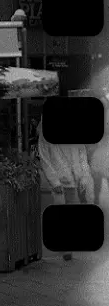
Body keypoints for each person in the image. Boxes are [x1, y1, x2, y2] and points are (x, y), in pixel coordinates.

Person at [37, 107, 93, 263]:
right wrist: (53, 180)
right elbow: (44, 157)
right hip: (60, 181)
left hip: (74, 179)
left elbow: (82, 154)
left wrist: (83, 176)